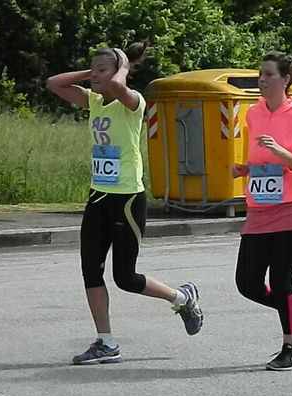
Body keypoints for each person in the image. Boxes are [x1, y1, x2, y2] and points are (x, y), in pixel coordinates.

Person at [46, 41, 203, 365]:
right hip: (98, 196)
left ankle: (182, 297)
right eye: (92, 70)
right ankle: (106, 343)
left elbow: (118, 86)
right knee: (90, 269)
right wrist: (93, 72)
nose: (93, 77)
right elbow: (54, 84)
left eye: (100, 70)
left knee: (125, 277)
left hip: (127, 198)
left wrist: (122, 65)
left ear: (118, 72)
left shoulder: (132, 102)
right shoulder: (93, 101)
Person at [232, 51, 292, 371]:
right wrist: (246, 169)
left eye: (269, 74)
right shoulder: (254, 114)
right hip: (262, 207)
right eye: (260, 74)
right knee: (247, 283)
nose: (262, 79)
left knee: (281, 277)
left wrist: (285, 154)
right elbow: (263, 161)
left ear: (286, 80)